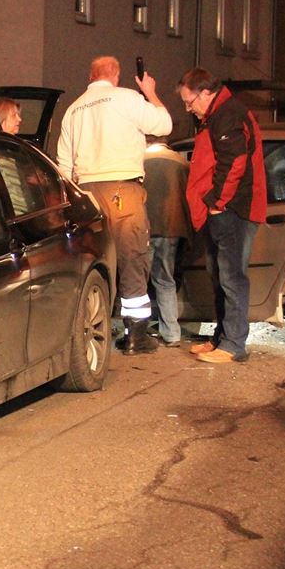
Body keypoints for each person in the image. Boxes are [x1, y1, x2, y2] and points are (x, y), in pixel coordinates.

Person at [57, 55, 172, 355]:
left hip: (85, 194)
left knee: (93, 258)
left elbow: (63, 165)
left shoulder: (73, 110)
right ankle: (136, 335)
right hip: (123, 191)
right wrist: (150, 91)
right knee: (133, 257)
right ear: (116, 75)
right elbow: (164, 124)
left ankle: (93, 326)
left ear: (91, 75)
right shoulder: (127, 98)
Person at [177, 68, 267, 363]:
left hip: (232, 209)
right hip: (225, 209)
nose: (188, 108)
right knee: (220, 275)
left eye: (190, 102)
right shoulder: (219, 114)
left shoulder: (228, 114)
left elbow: (234, 161)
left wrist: (217, 201)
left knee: (231, 276)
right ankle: (222, 339)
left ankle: (233, 344)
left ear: (206, 92)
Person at [143, 142, 191, 347]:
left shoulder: (140, 161)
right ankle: (170, 331)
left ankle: (143, 332)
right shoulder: (181, 163)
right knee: (166, 280)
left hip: (147, 227)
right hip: (174, 228)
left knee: (140, 283)